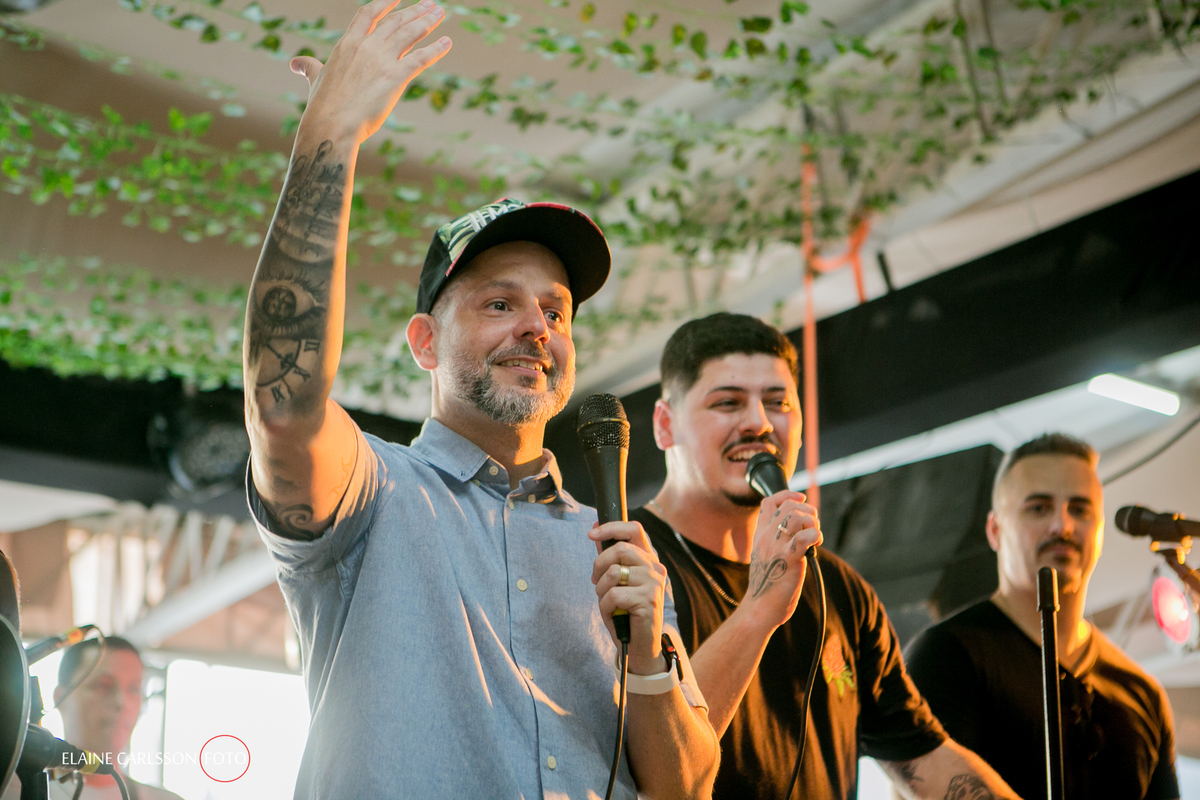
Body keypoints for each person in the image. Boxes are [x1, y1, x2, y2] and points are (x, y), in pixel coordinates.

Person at [240, 1, 719, 797]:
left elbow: (687, 786)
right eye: (500, 303)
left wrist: (645, 653)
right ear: (425, 342)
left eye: (556, 311)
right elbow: (283, 404)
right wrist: (330, 139)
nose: (537, 327)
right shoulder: (371, 493)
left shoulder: (613, 547)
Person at [630, 312, 1020, 799]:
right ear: (665, 425)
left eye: (778, 403)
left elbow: (922, 753)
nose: (758, 423)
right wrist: (758, 609)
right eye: (728, 403)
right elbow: (651, 765)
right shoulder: (627, 564)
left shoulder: (836, 586)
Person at [906, 434, 1179, 800]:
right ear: (995, 531)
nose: (1062, 526)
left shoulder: (1143, 693)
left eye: (1080, 510)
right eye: (1038, 508)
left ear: (1100, 531)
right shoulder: (946, 656)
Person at [49, 637, 181, 800]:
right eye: (103, 685)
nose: (121, 702)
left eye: (133, 688)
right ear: (60, 698)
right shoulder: (25, 793)